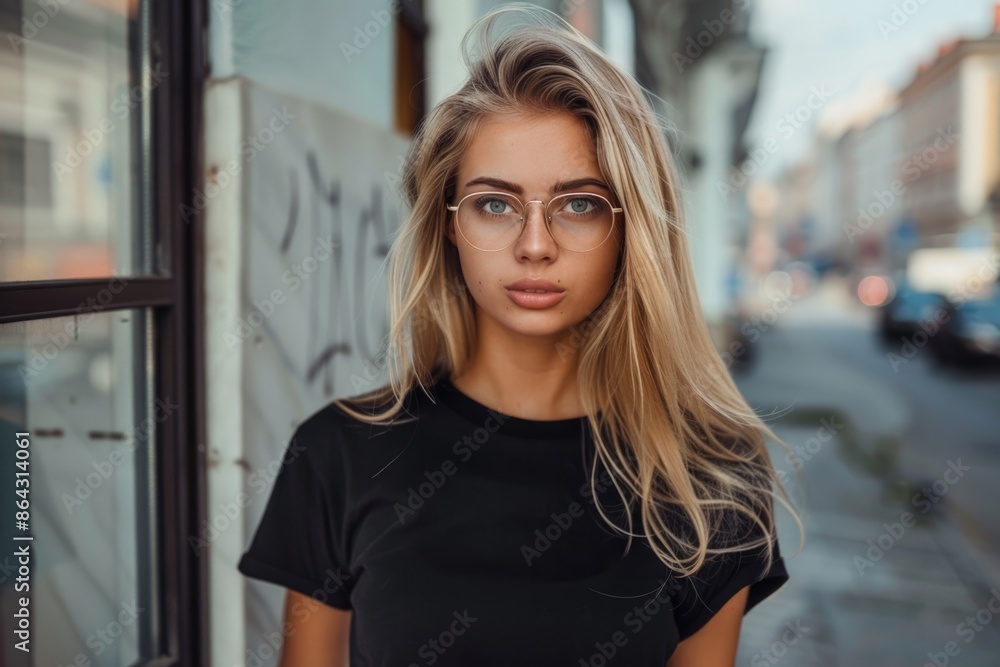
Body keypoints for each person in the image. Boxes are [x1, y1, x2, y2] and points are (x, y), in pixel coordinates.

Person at [237, 4, 803, 665]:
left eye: (580, 204)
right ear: (448, 223)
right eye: (496, 203)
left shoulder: (712, 479)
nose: (535, 245)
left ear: (630, 228)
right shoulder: (336, 455)